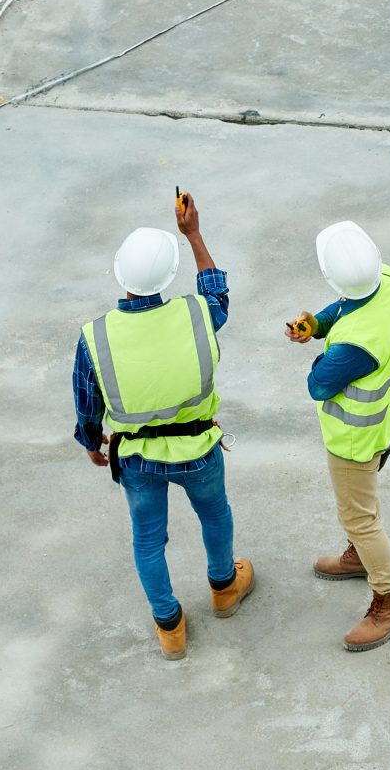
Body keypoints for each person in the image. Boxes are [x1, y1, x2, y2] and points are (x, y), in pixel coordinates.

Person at [73, 191, 255, 658]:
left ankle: (169, 626)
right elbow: (217, 290)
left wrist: (92, 442)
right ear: (169, 276)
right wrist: (193, 233)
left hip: (137, 459)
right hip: (199, 449)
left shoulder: (95, 336)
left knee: (148, 540)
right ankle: (223, 588)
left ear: (119, 272)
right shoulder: (196, 314)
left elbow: (87, 400)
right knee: (215, 514)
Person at [287, 221, 390, 652]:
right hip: (386, 418)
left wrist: (325, 347)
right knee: (360, 509)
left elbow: (318, 384)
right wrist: (318, 323)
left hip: (354, 440)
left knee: (359, 517)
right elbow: (348, 304)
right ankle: (359, 555)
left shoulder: (354, 347)